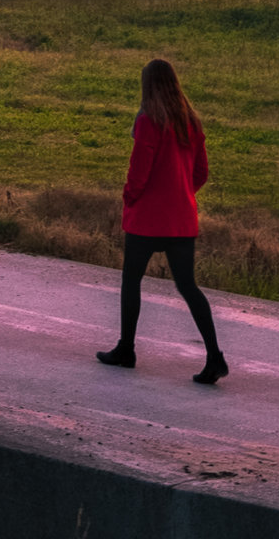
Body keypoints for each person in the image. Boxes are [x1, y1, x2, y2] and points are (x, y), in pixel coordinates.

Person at [98, 54, 229, 384]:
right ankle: (215, 356)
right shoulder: (191, 122)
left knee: (132, 281)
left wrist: (130, 197)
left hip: (147, 218)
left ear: (147, 86)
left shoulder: (148, 121)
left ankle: (126, 349)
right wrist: (182, 193)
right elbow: (201, 172)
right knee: (188, 286)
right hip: (180, 219)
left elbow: (139, 170)